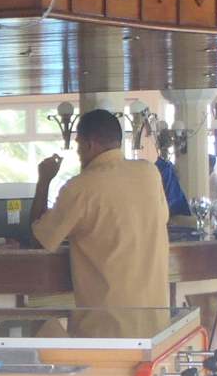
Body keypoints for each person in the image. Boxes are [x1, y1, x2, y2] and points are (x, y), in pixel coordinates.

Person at [30, 109, 170, 309]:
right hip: (155, 315)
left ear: (89, 145)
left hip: (106, 320)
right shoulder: (149, 173)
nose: (78, 153)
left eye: (78, 145)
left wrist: (44, 180)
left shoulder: (80, 187)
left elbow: (40, 241)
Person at [153, 131, 192, 217]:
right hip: (168, 210)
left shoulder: (167, 166)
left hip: (171, 210)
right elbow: (169, 195)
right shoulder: (162, 168)